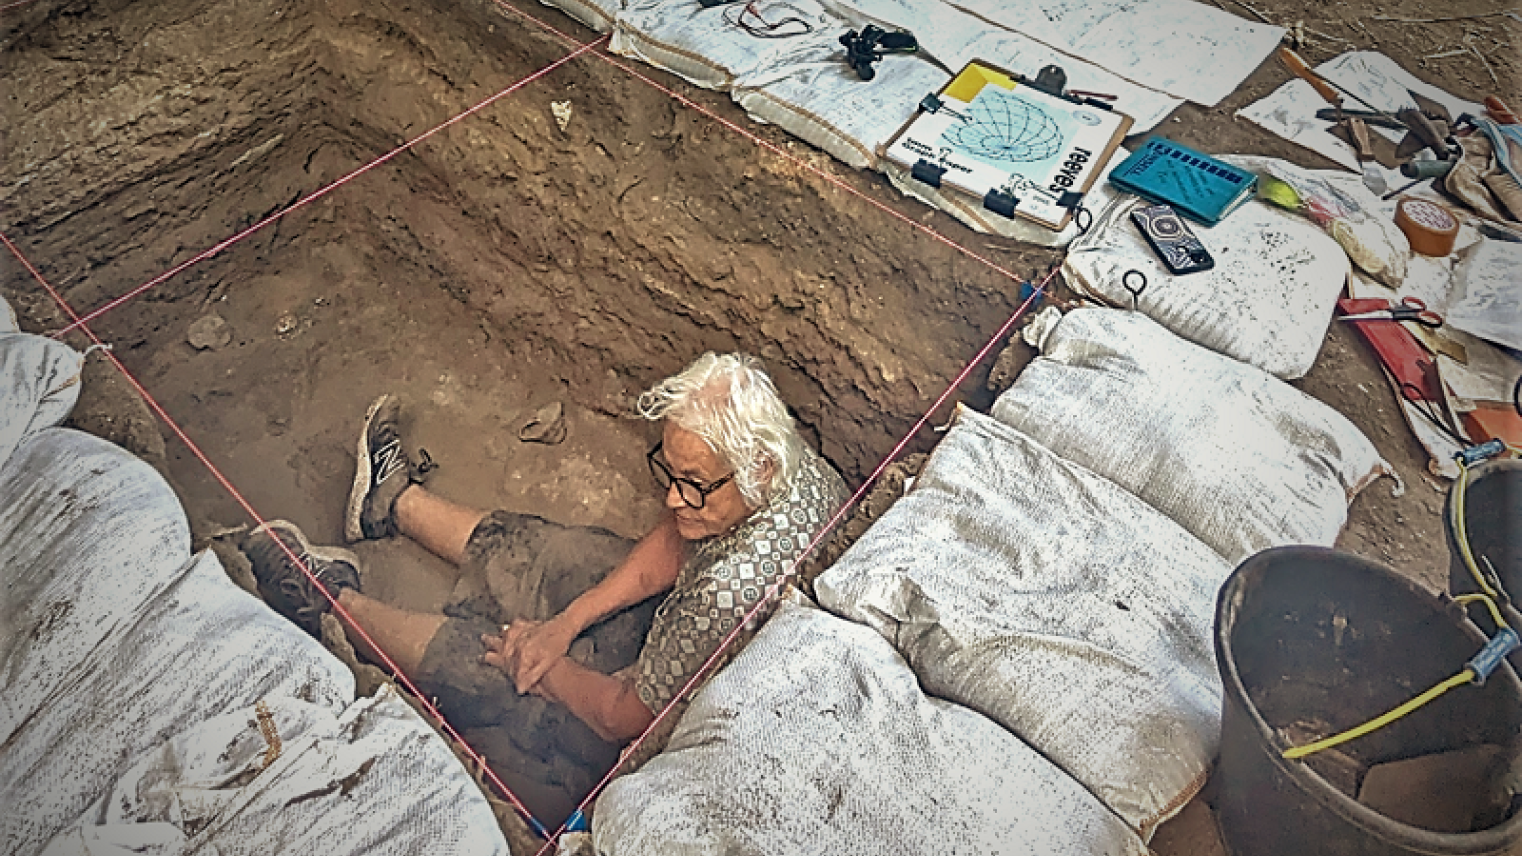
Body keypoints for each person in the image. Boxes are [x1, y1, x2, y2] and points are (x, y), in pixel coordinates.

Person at [243, 352, 847, 823]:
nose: (671, 497)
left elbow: (622, 717)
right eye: (670, 472)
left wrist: (531, 657)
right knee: (572, 558)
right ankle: (392, 505)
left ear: (757, 468)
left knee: (503, 675)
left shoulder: (727, 592)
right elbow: (675, 539)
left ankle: (324, 602)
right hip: (697, 626)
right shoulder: (787, 460)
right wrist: (566, 622)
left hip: (677, 722)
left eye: (692, 484)